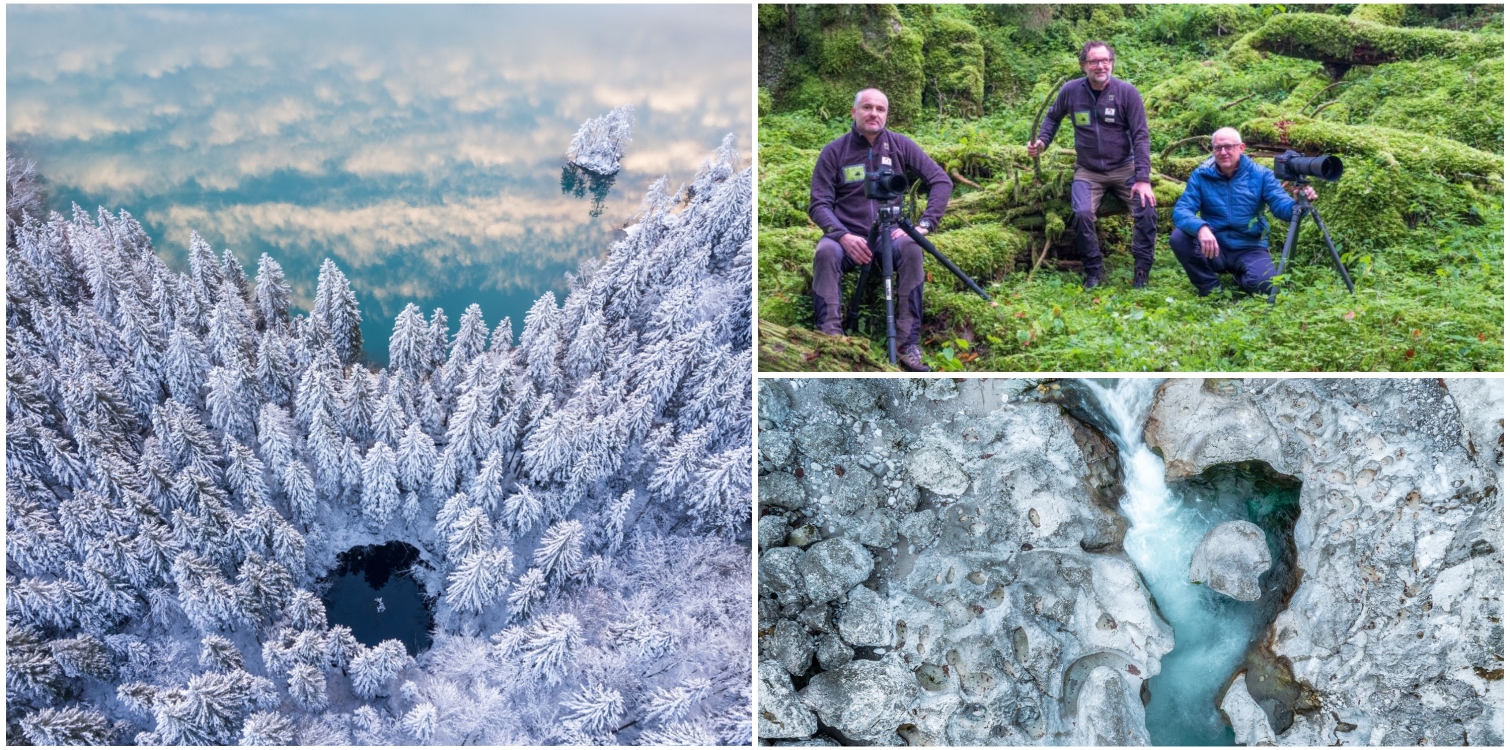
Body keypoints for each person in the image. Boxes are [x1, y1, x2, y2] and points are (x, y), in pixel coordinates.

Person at [809, 88, 953, 372]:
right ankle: (830, 337)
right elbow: (818, 204)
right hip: (848, 237)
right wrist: (842, 235)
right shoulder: (835, 151)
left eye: (880, 109)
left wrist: (925, 225)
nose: (873, 113)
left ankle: (906, 343)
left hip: (891, 234)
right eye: (867, 107)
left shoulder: (900, 145)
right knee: (825, 251)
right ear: (854, 112)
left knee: (913, 247)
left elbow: (941, 181)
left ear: (887, 114)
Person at [1028, 41, 1156, 289]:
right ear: (1083, 65)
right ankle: (1094, 271)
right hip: (1088, 171)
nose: (1101, 66)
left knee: (1146, 207)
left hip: (1124, 167)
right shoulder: (1071, 91)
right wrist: (1042, 142)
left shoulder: (1127, 92)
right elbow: (1053, 116)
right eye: (1094, 61)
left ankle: (1142, 269)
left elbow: (1140, 135)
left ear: (1112, 63)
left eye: (1105, 60)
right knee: (1082, 213)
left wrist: (1143, 178)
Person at [1170, 127, 1317, 297]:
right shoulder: (1201, 175)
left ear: (1241, 148)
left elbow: (1281, 206)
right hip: (1215, 247)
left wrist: (1299, 203)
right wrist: (1201, 228)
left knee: (1267, 286)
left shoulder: (1261, 175)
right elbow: (1181, 210)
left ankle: (1241, 275)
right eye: (1218, 148)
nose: (1223, 152)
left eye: (1229, 147)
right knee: (1179, 237)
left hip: (1250, 246)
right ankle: (1210, 288)